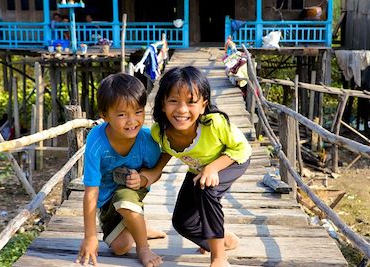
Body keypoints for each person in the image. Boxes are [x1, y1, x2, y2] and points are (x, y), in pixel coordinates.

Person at [141, 66, 252, 267]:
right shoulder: (160, 131)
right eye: (173, 101)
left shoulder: (214, 123)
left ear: (203, 105)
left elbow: (241, 148)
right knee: (183, 223)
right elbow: (168, 149)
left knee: (207, 189)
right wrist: (154, 172)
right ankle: (223, 239)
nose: (182, 109)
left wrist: (213, 168)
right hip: (199, 168)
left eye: (191, 102)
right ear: (163, 104)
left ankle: (219, 257)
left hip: (233, 159)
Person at [76, 73, 165, 267]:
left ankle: (143, 246)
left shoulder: (147, 140)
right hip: (106, 199)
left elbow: (156, 171)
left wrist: (143, 179)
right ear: (105, 115)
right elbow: (91, 191)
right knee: (120, 247)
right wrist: (90, 236)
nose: (132, 121)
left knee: (125, 199)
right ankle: (140, 226)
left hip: (131, 190)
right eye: (122, 114)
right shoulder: (96, 141)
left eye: (138, 112)